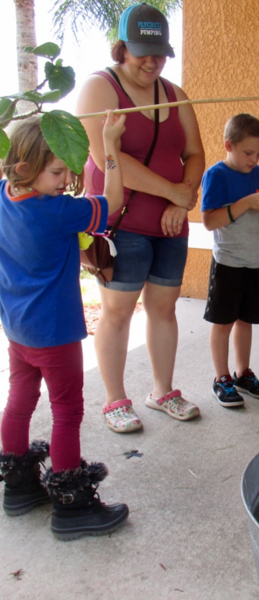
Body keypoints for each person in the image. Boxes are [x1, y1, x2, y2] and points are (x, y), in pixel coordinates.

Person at [76, 3, 205, 433]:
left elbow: (195, 153)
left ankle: (162, 391)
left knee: (164, 309)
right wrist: (176, 193)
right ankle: (114, 400)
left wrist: (181, 203)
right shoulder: (100, 88)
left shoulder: (175, 93)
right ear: (122, 49)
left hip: (170, 223)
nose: (151, 61)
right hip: (121, 221)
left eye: (159, 52)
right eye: (141, 51)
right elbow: (104, 156)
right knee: (117, 311)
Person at [0, 111, 130, 540]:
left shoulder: (2, 195)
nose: (65, 178)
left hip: (18, 331)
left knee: (19, 399)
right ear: (23, 168)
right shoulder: (55, 211)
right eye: (57, 171)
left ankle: (18, 489)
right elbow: (112, 202)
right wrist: (110, 147)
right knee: (67, 411)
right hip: (55, 335)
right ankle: (72, 508)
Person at [201, 113, 259, 407]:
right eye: (249, 152)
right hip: (229, 262)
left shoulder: (257, 173)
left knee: (246, 320)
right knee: (223, 322)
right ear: (229, 145)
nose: (254, 159)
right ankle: (221, 378)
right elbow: (209, 220)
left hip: (258, 260)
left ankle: (242, 373)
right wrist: (246, 203)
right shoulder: (216, 175)